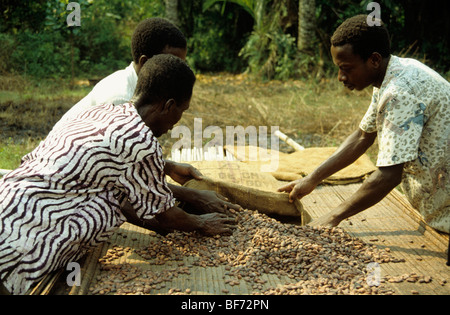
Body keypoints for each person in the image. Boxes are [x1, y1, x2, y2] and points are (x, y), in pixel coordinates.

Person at [0, 54, 236, 295]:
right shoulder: (141, 142)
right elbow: (166, 216)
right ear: (168, 106)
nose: (176, 123)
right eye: (181, 111)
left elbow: (105, 162)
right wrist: (202, 223)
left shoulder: (103, 112)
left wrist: (165, 166)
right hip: (24, 237)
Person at [278, 15, 449, 234]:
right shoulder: (394, 73)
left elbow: (389, 175)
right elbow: (362, 137)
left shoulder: (399, 92)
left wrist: (333, 216)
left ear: (374, 60)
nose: (341, 77)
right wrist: (312, 179)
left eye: (346, 68)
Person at [54, 17, 240, 215]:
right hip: (64, 192)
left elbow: (122, 164)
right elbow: (122, 185)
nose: (178, 72)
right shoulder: (120, 99)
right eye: (170, 62)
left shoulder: (138, 91)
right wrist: (192, 198)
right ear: (145, 63)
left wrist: (167, 167)